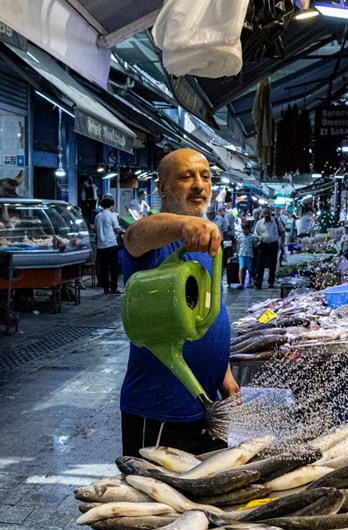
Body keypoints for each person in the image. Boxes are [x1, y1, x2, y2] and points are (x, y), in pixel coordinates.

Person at [118, 149, 239, 457]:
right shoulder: (156, 244)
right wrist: (184, 226)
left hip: (207, 405)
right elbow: (134, 236)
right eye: (186, 177)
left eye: (206, 176)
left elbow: (207, 310)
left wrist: (223, 370)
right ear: (162, 188)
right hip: (160, 411)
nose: (199, 185)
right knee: (159, 502)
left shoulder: (204, 242)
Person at [94, 196, 123, 295]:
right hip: (111, 245)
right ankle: (113, 289)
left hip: (100, 246)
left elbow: (95, 229)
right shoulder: (112, 215)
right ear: (111, 205)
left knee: (103, 269)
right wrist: (124, 231)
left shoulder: (97, 216)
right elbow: (117, 230)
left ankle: (106, 289)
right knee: (113, 268)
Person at [252, 208, 283, 289]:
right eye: (265, 213)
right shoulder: (259, 223)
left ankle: (271, 281)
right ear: (263, 214)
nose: (267, 215)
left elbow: (282, 231)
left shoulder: (276, 221)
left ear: (270, 213)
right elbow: (255, 233)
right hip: (263, 245)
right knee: (260, 264)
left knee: (272, 264)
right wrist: (259, 237)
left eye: (268, 213)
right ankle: (258, 282)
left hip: (273, 245)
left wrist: (282, 243)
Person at [234, 220, 256, 290]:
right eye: (243, 229)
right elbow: (238, 246)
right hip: (241, 254)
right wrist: (237, 254)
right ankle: (241, 283)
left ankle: (250, 282)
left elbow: (254, 245)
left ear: (248, 229)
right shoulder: (239, 236)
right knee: (241, 268)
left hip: (249, 254)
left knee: (250, 269)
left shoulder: (252, 237)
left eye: (245, 229)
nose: (244, 231)